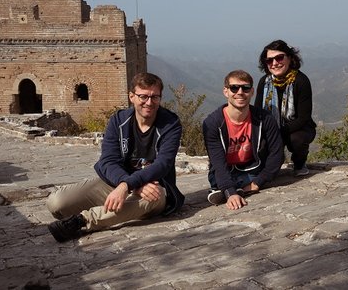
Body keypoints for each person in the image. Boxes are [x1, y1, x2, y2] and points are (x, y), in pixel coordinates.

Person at [45, 72, 184, 242]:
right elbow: (107, 161)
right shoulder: (118, 121)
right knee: (57, 203)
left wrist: (128, 185)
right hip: (116, 183)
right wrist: (128, 184)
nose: (149, 102)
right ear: (131, 96)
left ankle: (82, 221)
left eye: (155, 97)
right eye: (143, 96)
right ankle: (116, 210)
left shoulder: (170, 124)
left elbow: (163, 164)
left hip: (153, 186)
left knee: (156, 197)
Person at [202, 69, 284, 210]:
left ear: (252, 92)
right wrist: (231, 193)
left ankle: (223, 188)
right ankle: (230, 187)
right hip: (225, 169)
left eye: (245, 88)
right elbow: (217, 162)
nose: (240, 92)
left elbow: (277, 154)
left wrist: (258, 182)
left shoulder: (264, 119)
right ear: (225, 91)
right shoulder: (213, 123)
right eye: (234, 88)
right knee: (219, 176)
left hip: (253, 168)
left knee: (251, 177)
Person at [255, 39, 317, 176]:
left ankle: (299, 164)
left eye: (279, 58)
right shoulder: (264, 82)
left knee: (297, 140)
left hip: (299, 128)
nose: (275, 63)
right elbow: (257, 112)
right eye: (269, 60)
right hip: (272, 129)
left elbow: (303, 118)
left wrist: (278, 132)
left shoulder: (301, 81)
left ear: (290, 58)